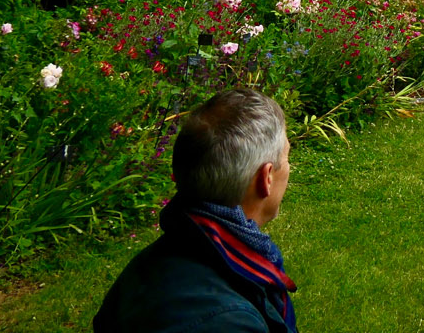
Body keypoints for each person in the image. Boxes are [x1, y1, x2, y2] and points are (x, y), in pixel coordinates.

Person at [95, 87, 298, 332]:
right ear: (266, 178)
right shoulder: (225, 321)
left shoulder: (167, 254)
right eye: (286, 158)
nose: (288, 168)